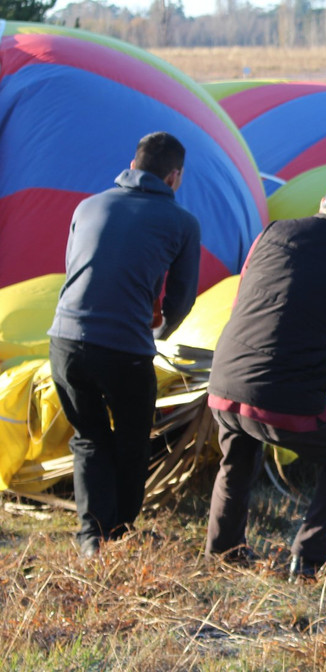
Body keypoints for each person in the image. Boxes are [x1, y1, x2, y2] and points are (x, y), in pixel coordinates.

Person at [204, 177, 326, 581]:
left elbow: (241, 298)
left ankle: (222, 551)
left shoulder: (273, 232)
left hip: (225, 380)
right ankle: (308, 560)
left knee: (236, 459)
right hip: (284, 397)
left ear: (322, 205)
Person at [49, 131, 201, 558]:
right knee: (133, 439)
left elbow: (75, 270)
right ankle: (118, 533)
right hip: (124, 348)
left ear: (132, 166)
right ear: (174, 177)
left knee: (89, 437)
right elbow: (181, 299)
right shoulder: (182, 223)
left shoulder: (88, 205)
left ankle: (90, 540)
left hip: (65, 340)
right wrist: (159, 334)